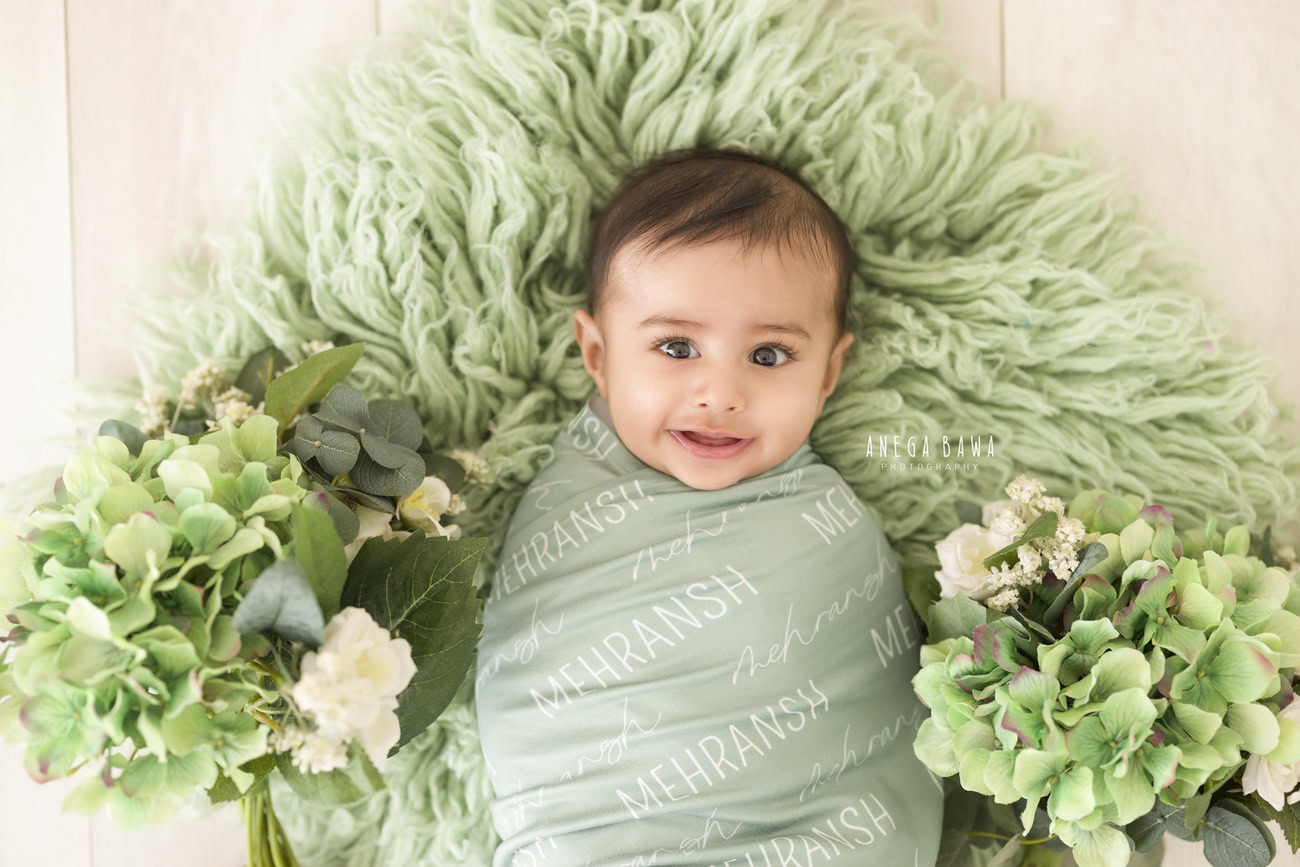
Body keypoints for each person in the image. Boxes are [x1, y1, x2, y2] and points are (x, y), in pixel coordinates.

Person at [474, 145, 943, 867]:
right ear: (597, 355)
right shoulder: (572, 508)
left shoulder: (822, 528)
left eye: (768, 357)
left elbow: (866, 703)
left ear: (830, 372)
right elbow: (536, 696)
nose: (720, 393)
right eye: (676, 345)